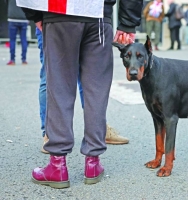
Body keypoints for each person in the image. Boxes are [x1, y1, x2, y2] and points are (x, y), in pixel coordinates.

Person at [20, 0, 143, 188]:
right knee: (96, 89)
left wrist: (34, 14)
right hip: (99, 14)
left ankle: (57, 165)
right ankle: (93, 162)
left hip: (58, 10)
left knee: (59, 87)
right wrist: (127, 22)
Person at [35, 28, 129, 154]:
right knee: (51, 75)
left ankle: (97, 131)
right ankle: (50, 134)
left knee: (89, 77)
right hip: (55, 19)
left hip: (86, 21)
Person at [5, 0, 28, 65]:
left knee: (12, 40)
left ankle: (12, 60)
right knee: (24, 40)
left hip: (12, 18)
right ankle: (24, 59)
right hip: (24, 18)